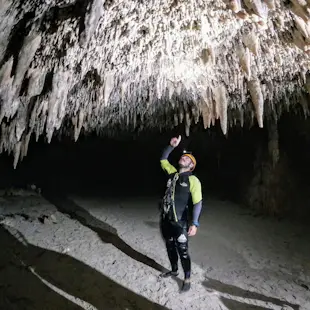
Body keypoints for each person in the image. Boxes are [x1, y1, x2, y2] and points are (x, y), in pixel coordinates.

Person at [159, 135, 203, 293]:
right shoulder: (172, 173)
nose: (183, 158)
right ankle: (174, 270)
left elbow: (198, 203)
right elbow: (163, 159)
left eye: (187, 159)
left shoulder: (193, 180)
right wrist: (171, 146)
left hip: (181, 222)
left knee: (183, 251)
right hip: (166, 219)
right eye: (183, 156)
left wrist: (195, 223)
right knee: (169, 246)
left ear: (191, 166)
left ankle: (187, 278)